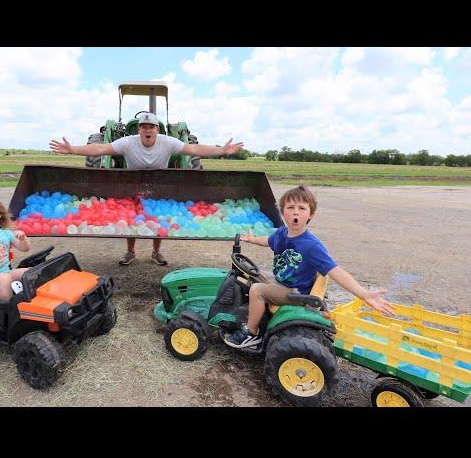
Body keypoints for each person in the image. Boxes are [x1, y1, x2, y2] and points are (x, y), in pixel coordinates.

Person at [49, 112, 244, 266]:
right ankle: (131, 251)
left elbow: (194, 150)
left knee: (157, 219)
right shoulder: (128, 142)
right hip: (133, 183)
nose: (147, 130)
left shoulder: (168, 142)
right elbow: (100, 149)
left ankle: (156, 252)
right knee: (133, 217)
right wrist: (73, 149)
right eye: (144, 127)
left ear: (157, 129)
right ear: (139, 129)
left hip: (160, 185)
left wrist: (221, 151)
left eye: (151, 127)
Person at [223, 185, 395, 349]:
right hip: (281, 281)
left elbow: (336, 271)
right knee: (248, 277)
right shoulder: (281, 233)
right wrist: (252, 240)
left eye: (302, 208)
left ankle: (252, 332)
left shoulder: (311, 246)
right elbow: (267, 241)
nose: (295, 212)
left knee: (256, 291)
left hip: (297, 293)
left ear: (310, 214)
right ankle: (255, 316)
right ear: (282, 212)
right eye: (290, 207)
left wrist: (364, 294)